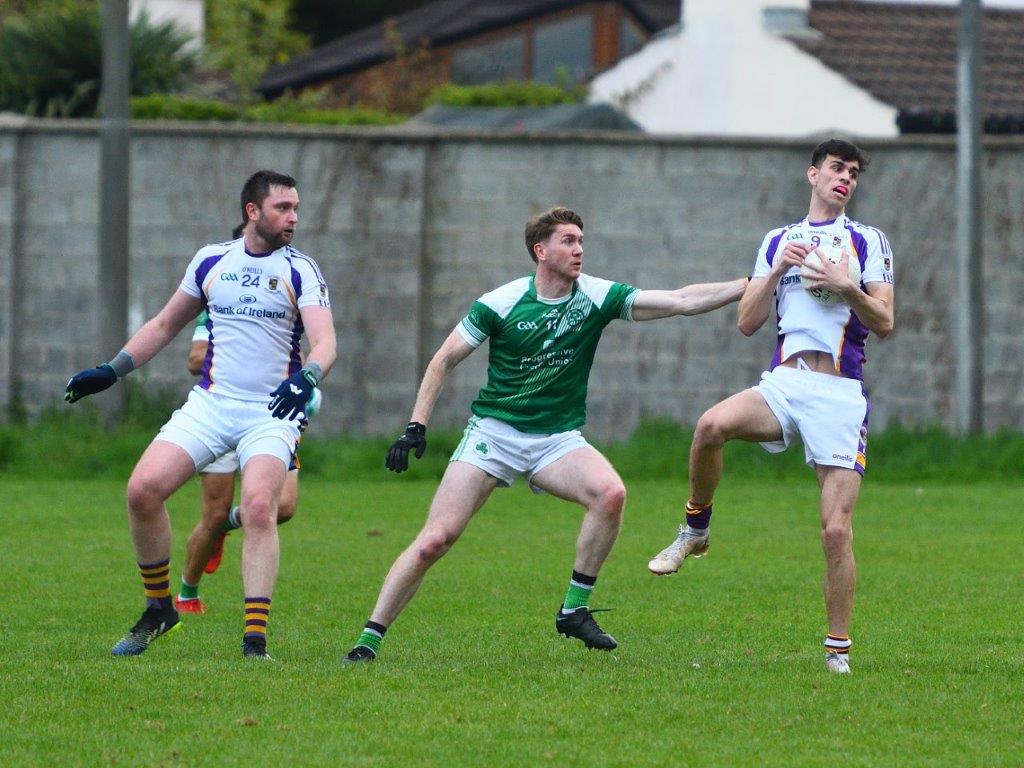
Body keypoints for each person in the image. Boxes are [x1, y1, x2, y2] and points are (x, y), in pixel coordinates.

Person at [342, 206, 748, 663]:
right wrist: (415, 427)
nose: (579, 249)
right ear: (541, 250)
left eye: (581, 240)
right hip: (493, 434)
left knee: (610, 493)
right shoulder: (501, 302)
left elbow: (679, 300)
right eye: (568, 241)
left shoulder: (596, 295)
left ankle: (573, 610)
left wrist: (748, 286)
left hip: (555, 439)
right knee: (436, 539)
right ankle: (367, 642)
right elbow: (443, 360)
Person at [646, 139, 895, 675]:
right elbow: (747, 321)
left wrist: (845, 286)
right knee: (711, 425)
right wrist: (778, 268)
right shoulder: (778, 240)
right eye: (836, 168)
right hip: (785, 382)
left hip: (839, 394)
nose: (845, 178)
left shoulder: (867, 240)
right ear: (812, 174)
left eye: (853, 172)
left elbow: (885, 320)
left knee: (835, 530)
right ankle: (695, 528)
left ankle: (838, 651)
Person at [65, 170, 336, 659]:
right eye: (282, 208)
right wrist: (113, 369)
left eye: (296, 207)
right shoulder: (212, 260)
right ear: (252, 211)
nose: (293, 217)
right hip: (210, 404)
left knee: (259, 507)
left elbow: (326, 341)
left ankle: (254, 641)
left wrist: (307, 377)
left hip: (271, 411)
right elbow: (167, 323)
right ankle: (158, 610)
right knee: (142, 490)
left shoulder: (302, 269)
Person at [174, 308, 322, 614]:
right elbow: (194, 359)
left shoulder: (286, 304)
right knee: (213, 515)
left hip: (271, 418)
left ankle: (227, 525)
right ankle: (187, 593)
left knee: (284, 507)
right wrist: (248, 361)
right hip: (221, 414)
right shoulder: (219, 308)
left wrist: (306, 385)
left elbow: (301, 354)